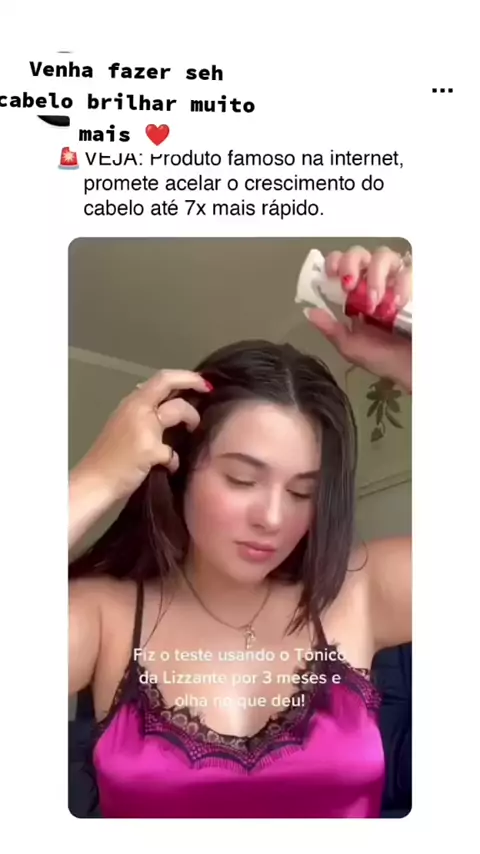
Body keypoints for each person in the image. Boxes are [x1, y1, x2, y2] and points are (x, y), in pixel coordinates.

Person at [69, 245, 412, 818]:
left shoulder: (359, 590)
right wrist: (96, 479)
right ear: (180, 469)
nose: (274, 518)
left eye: (302, 492)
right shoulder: (104, 616)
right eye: (241, 479)